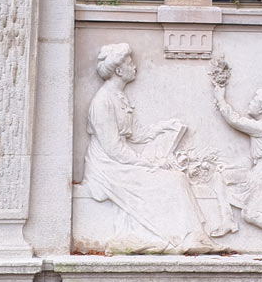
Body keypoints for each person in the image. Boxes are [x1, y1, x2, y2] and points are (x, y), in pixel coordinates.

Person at [83, 43, 214, 254]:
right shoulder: (102, 102)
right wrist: (147, 162)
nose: (134, 66)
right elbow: (113, 149)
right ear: (118, 70)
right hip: (107, 167)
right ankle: (179, 238)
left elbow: (136, 133)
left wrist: (165, 127)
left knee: (176, 178)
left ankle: (193, 237)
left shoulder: (119, 96)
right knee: (171, 180)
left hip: (121, 160)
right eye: (129, 63)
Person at [210, 61, 262, 255]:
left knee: (251, 213)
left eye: (254, 101)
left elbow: (235, 120)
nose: (250, 102)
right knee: (220, 176)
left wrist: (220, 98)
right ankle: (227, 220)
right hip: (261, 168)